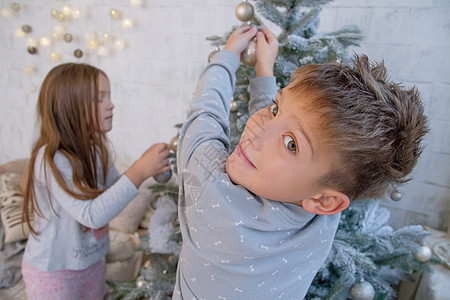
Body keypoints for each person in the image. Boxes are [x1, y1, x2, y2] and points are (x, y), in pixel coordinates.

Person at [173, 26, 428, 299]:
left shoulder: (214, 193)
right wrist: (264, 71)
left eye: (291, 145)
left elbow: (205, 116)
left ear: (324, 201)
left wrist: (228, 55)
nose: (258, 126)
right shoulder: (322, 212)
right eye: (274, 108)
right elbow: (291, 125)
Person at [21, 63, 171, 299]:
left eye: (108, 96)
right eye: (99, 98)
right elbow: (91, 215)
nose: (111, 104)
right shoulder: (51, 159)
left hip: (91, 260)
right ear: (70, 107)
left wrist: (143, 166)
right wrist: (140, 171)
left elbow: (111, 193)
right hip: (55, 270)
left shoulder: (96, 147)